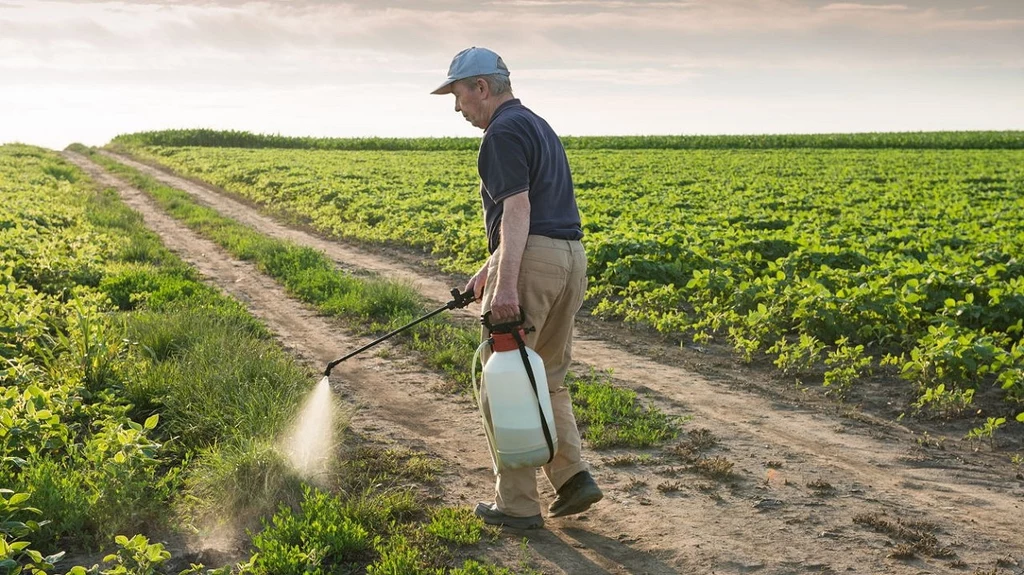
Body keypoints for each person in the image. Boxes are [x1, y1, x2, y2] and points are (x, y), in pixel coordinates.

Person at [431, 47, 603, 529]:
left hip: (532, 265)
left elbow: (519, 210)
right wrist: (490, 267)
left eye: (459, 95)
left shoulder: (500, 135)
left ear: (481, 88)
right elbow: (540, 213)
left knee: (503, 381)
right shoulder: (537, 126)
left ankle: (518, 506)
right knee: (544, 376)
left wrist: (506, 286)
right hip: (568, 259)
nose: (457, 107)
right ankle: (572, 479)